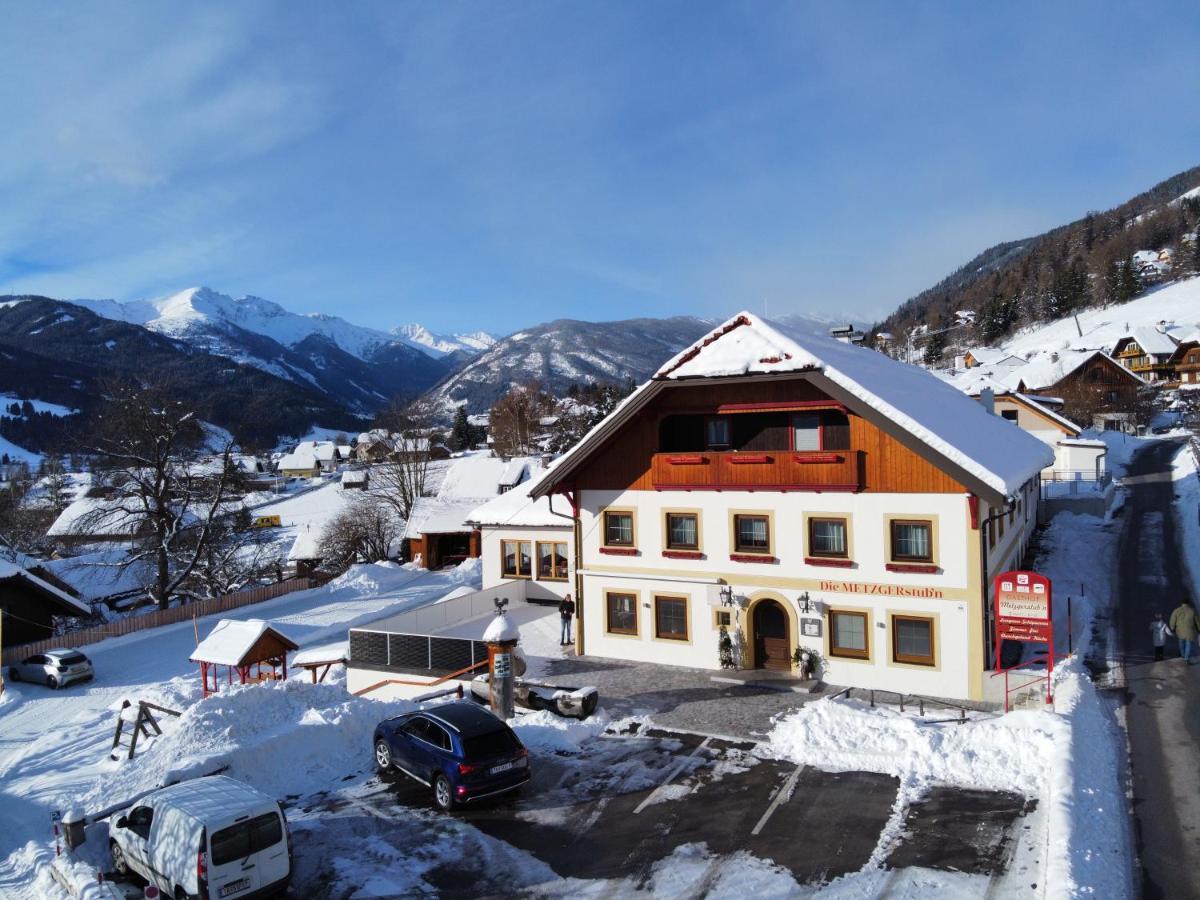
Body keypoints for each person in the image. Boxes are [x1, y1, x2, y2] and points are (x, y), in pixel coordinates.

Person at [1168, 600, 1200, 664]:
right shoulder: (1192, 611)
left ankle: (1183, 655)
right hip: (1190, 631)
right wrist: (1199, 629)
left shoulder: (1176, 610)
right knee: (1188, 645)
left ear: (1182, 603)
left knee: (1181, 643)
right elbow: (1197, 621)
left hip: (1179, 631)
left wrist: (1172, 628)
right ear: (1188, 603)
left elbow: (1172, 620)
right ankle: (1186, 659)